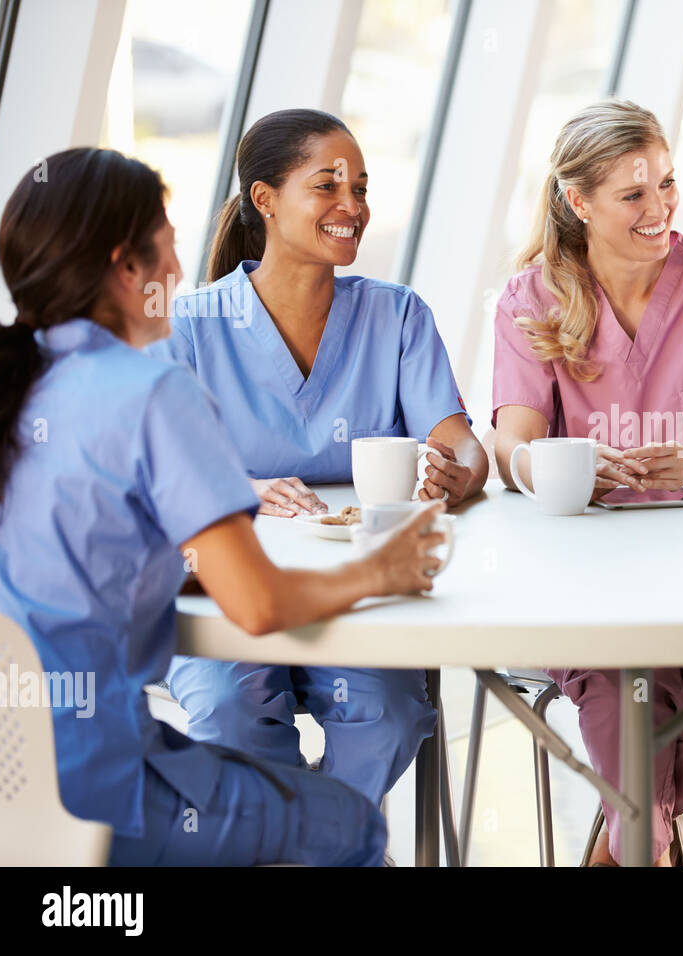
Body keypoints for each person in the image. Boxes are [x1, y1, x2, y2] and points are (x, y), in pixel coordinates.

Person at [0, 147, 450, 865]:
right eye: (167, 243)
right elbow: (260, 607)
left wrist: (173, 572)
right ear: (126, 266)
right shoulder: (149, 392)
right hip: (108, 794)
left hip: (12, 791)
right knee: (351, 828)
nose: (178, 270)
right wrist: (380, 572)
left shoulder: (15, 387)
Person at [147, 109, 487, 807]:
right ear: (265, 200)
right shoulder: (190, 327)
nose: (351, 207)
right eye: (328, 186)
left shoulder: (396, 315)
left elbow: (459, 439)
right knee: (230, 713)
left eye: (360, 189)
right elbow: (150, 473)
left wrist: (460, 469)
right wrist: (237, 485)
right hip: (226, 588)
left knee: (389, 716)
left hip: (363, 592)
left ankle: (317, 848)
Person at [492, 100, 683, 865]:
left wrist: (675, 465)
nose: (661, 210)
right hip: (585, 589)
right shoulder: (530, 298)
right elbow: (509, 446)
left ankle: (622, 846)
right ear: (578, 202)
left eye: (667, 185)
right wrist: (567, 467)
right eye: (634, 194)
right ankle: (641, 845)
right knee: (624, 694)